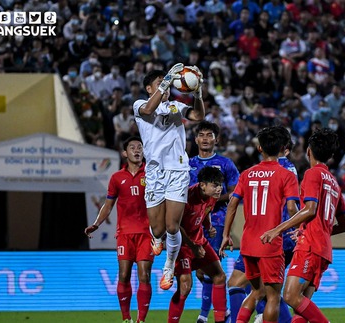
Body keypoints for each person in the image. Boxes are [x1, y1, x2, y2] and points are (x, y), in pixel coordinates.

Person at [260, 128, 345, 323]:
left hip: (309, 246)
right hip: (323, 249)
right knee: (301, 308)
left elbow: (310, 209)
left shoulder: (312, 174)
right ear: (331, 156)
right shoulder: (334, 183)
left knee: (291, 296)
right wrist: (315, 230)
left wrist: (278, 229)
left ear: (309, 151)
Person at [132, 63, 205, 290]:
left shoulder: (174, 106)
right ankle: (157, 238)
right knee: (159, 229)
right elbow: (148, 111)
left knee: (173, 227)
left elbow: (198, 115)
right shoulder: (140, 105)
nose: (166, 85)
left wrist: (198, 92)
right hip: (154, 173)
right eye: (159, 83)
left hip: (177, 170)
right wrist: (164, 84)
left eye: (167, 82)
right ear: (148, 88)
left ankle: (168, 267)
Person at [220, 126, 300, 323]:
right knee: (272, 295)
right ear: (283, 148)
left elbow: (232, 204)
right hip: (271, 242)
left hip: (248, 242)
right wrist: (301, 228)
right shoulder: (287, 174)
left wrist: (226, 235)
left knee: (255, 292)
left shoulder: (247, 173)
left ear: (259, 149)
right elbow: (291, 207)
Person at [84, 137, 152, 323]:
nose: (137, 150)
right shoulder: (116, 178)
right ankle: (126, 318)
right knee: (123, 275)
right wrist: (96, 224)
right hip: (124, 233)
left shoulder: (152, 174)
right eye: (132, 147)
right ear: (125, 153)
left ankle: (141, 320)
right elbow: (108, 205)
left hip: (146, 233)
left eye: (140, 147)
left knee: (144, 275)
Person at [188, 121, 240, 323]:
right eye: (201, 135)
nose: (205, 138)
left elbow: (235, 192)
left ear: (216, 139)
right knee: (201, 271)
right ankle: (223, 310)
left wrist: (213, 199)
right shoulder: (189, 163)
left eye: (210, 135)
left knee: (211, 268)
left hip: (216, 221)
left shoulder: (226, 163)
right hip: (192, 223)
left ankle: (204, 315)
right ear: (196, 139)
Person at [167, 167, 229, 323]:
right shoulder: (185, 198)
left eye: (220, 185)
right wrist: (193, 247)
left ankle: (220, 320)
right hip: (182, 245)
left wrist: (208, 226)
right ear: (202, 185)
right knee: (185, 286)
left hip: (199, 241)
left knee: (220, 276)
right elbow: (175, 226)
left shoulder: (212, 196)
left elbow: (206, 211)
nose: (219, 188)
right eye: (215, 185)